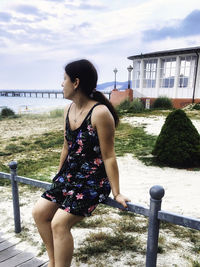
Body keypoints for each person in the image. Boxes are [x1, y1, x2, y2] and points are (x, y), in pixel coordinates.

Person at [32, 59, 131, 267]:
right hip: (70, 177)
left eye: (64, 79)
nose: (62, 84)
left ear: (75, 82)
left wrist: (117, 192)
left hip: (92, 181)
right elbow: (66, 147)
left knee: (59, 223)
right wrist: (59, 176)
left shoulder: (100, 113)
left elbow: (109, 156)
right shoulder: (69, 110)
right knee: (39, 213)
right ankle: (53, 262)